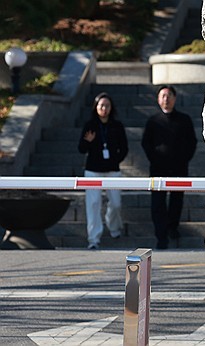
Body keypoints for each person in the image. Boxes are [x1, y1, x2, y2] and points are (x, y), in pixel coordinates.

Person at [141, 85, 197, 249]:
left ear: (174, 98)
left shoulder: (184, 119)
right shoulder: (153, 121)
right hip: (158, 169)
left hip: (179, 168)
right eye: (163, 96)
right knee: (157, 202)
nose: (166, 99)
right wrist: (155, 159)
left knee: (176, 200)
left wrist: (184, 159)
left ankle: (173, 227)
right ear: (158, 99)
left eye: (169, 95)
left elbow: (192, 142)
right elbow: (146, 143)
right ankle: (161, 235)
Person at [78, 92, 128, 249]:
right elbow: (81, 149)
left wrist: (115, 160)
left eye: (107, 106)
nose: (104, 109)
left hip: (112, 170)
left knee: (116, 203)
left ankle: (113, 227)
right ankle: (93, 239)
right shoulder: (90, 125)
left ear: (111, 108)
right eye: (101, 106)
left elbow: (124, 148)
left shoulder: (117, 126)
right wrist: (88, 141)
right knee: (93, 204)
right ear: (96, 107)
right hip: (93, 170)